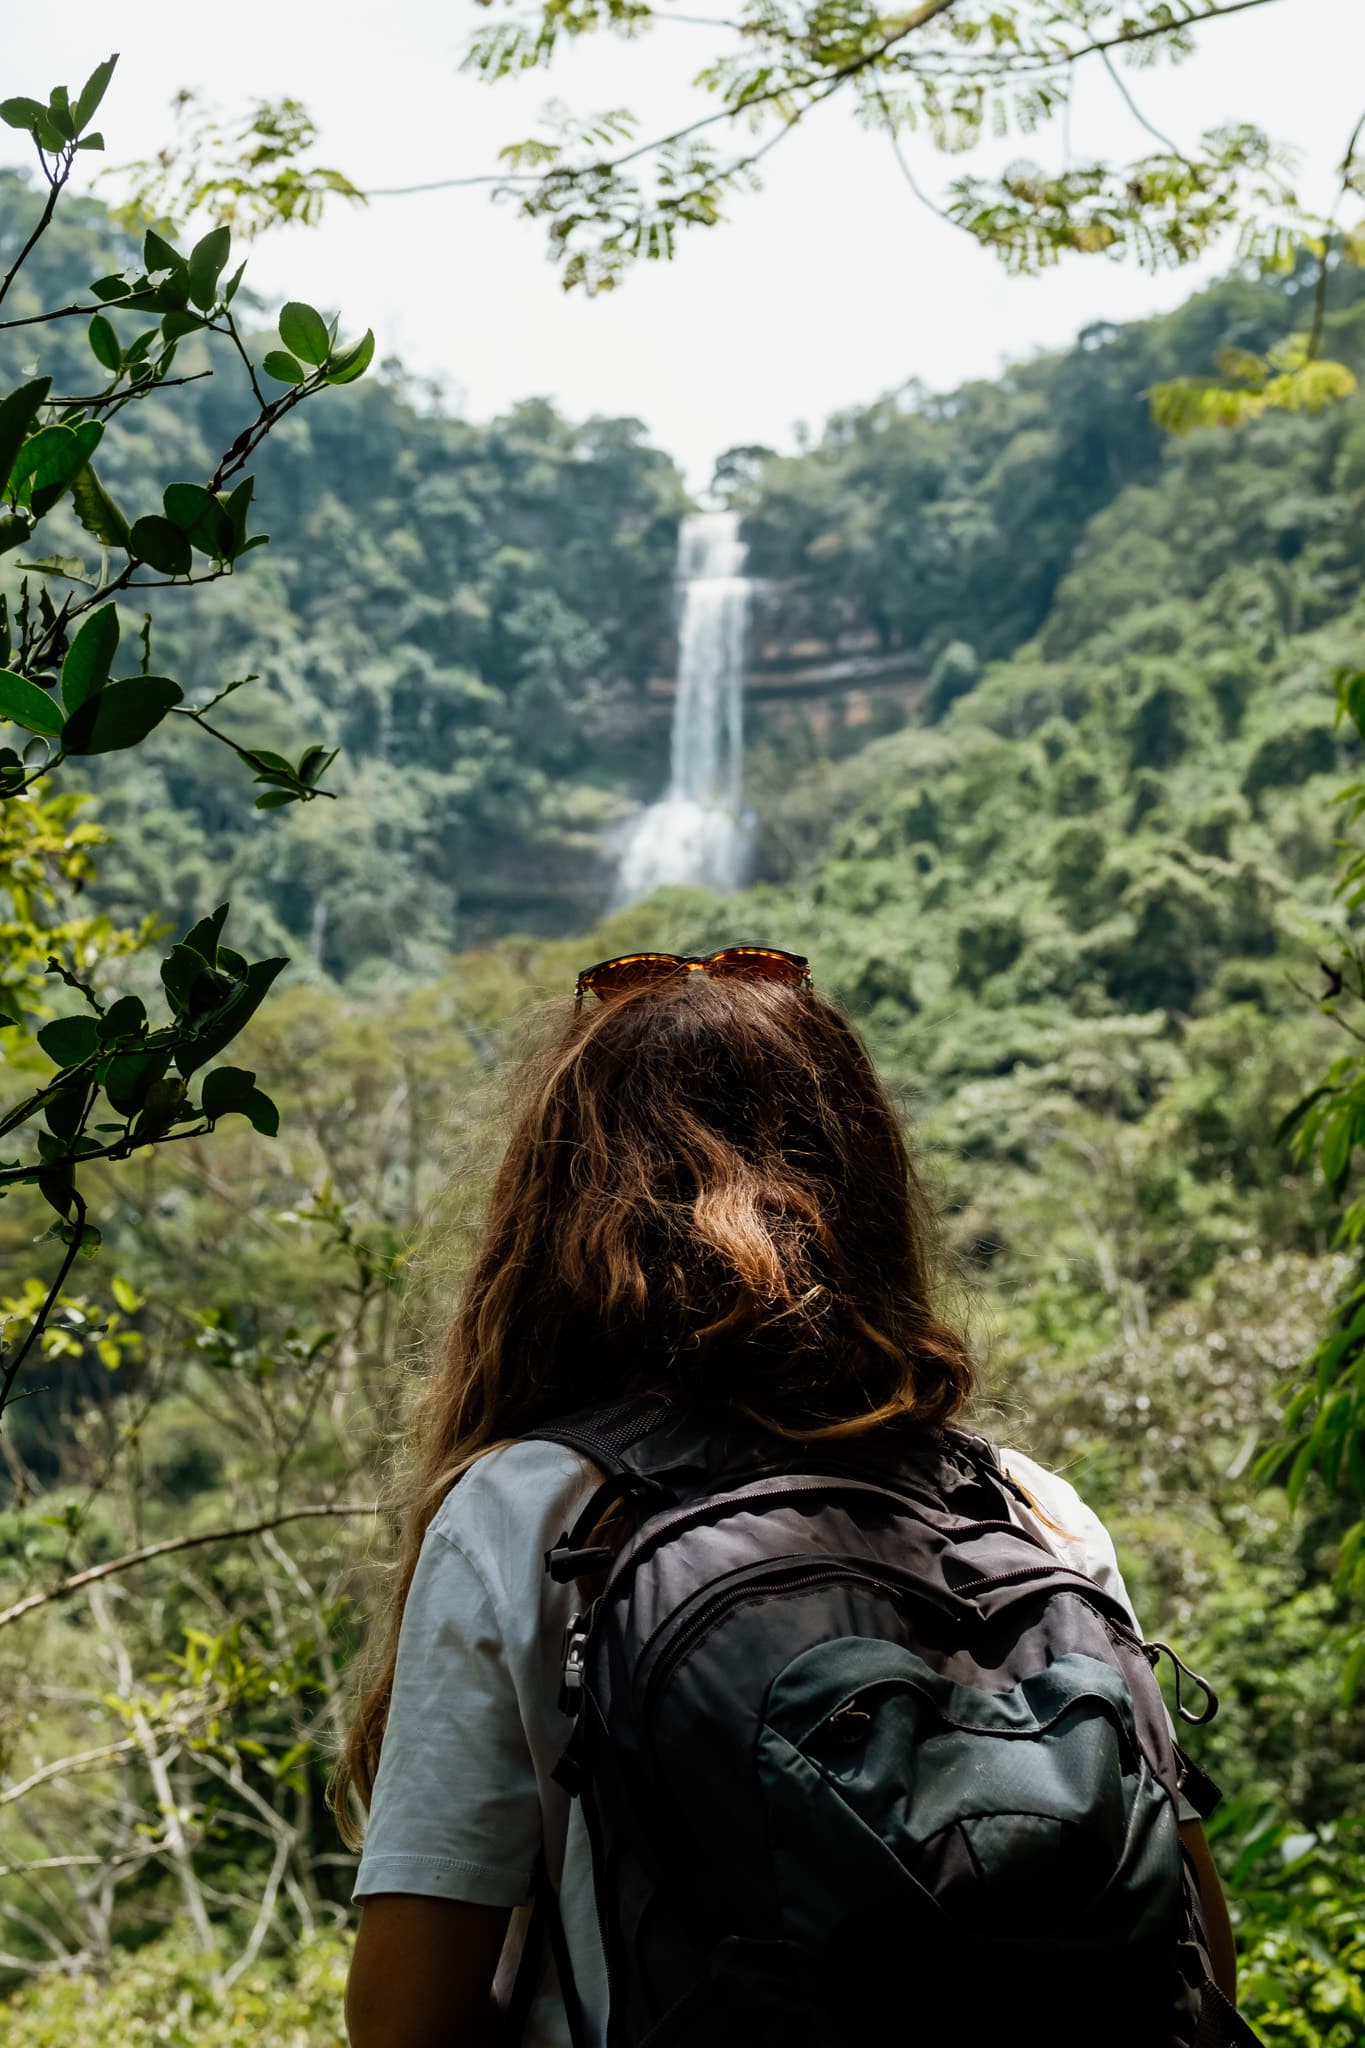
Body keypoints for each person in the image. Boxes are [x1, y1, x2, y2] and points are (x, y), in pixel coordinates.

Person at [337, 946, 1236, 2048]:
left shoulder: (532, 1512)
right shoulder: (1029, 1507)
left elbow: (404, 2019)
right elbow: (1192, 1950)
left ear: (560, 1210)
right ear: (864, 1191)